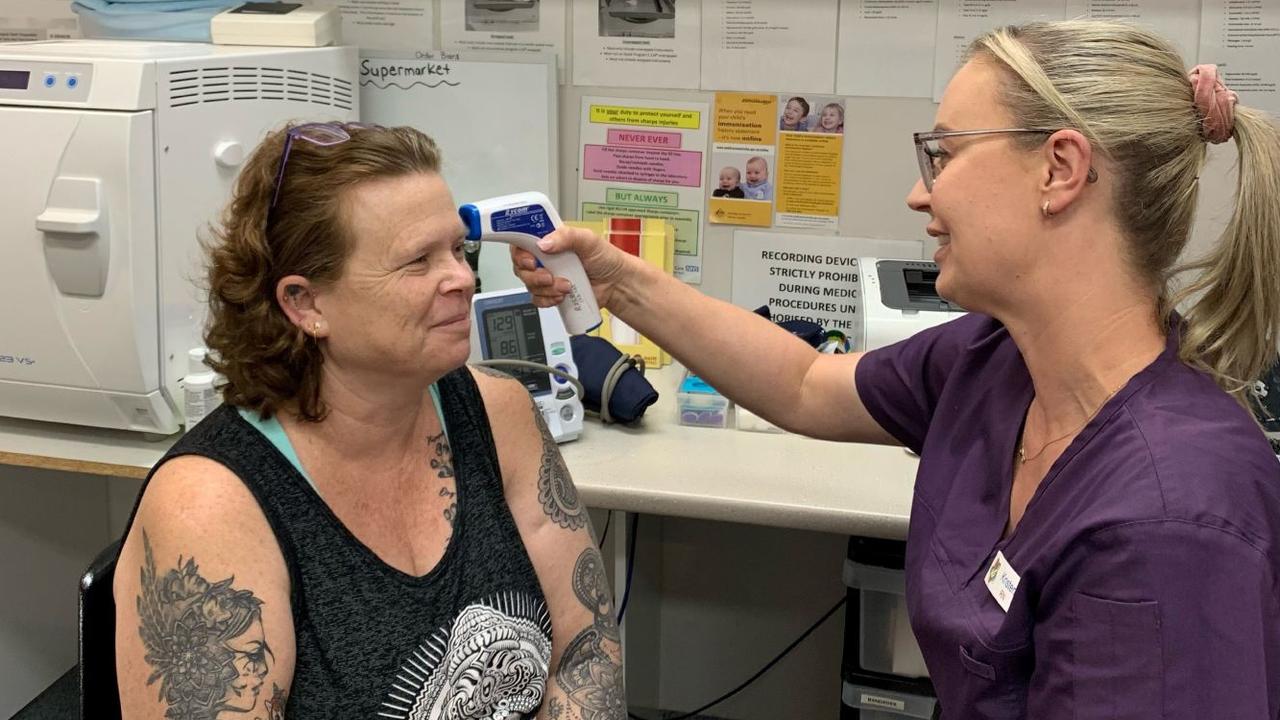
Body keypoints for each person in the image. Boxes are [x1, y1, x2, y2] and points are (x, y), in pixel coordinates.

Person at [514, 20, 1280, 719]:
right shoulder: (994, 361)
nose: (920, 192)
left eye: (942, 155)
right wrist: (618, 283)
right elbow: (807, 386)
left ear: (1061, 168)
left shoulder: (1173, 521)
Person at [113, 122, 626, 720]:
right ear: (305, 303)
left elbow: (588, 658)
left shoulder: (497, 411)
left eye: (458, 249)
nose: (462, 278)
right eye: (418, 261)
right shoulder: (209, 508)